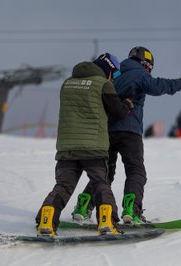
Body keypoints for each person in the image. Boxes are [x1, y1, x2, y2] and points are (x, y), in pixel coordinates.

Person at [72, 46, 181, 224]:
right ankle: (132, 209)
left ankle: (84, 205)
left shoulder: (112, 75)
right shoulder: (139, 74)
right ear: (146, 63)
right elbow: (157, 86)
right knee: (135, 170)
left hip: (107, 132)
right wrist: (180, 82)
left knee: (105, 173)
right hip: (129, 131)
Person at [35, 53, 134, 236]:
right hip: (93, 147)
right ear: (108, 69)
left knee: (63, 186)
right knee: (100, 183)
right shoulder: (103, 84)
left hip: (67, 148)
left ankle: (46, 221)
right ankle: (106, 222)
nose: (115, 78)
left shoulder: (67, 83)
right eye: (116, 74)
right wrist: (127, 104)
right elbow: (118, 112)